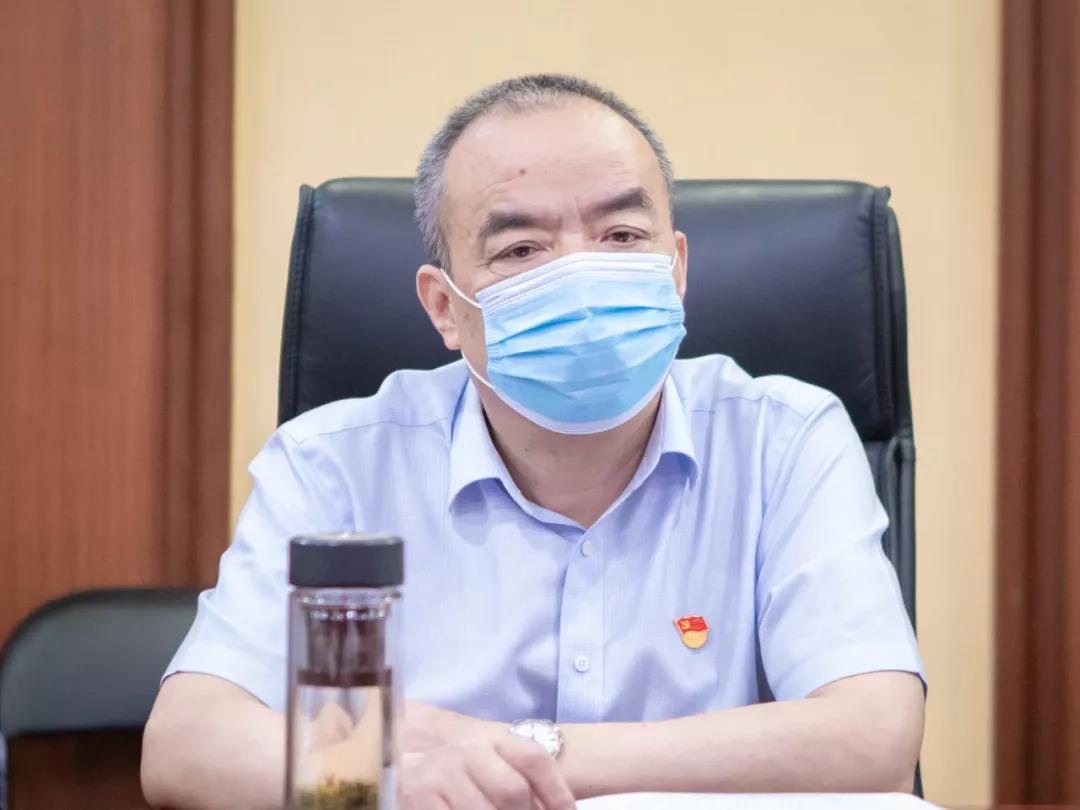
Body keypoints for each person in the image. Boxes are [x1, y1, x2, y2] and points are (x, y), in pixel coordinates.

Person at [142, 74, 925, 810]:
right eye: (521, 249)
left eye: (622, 234)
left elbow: (874, 738)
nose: (581, 277)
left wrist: (507, 755)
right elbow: (186, 744)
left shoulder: (784, 439)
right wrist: (393, 777)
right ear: (444, 308)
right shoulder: (333, 464)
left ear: (676, 269)